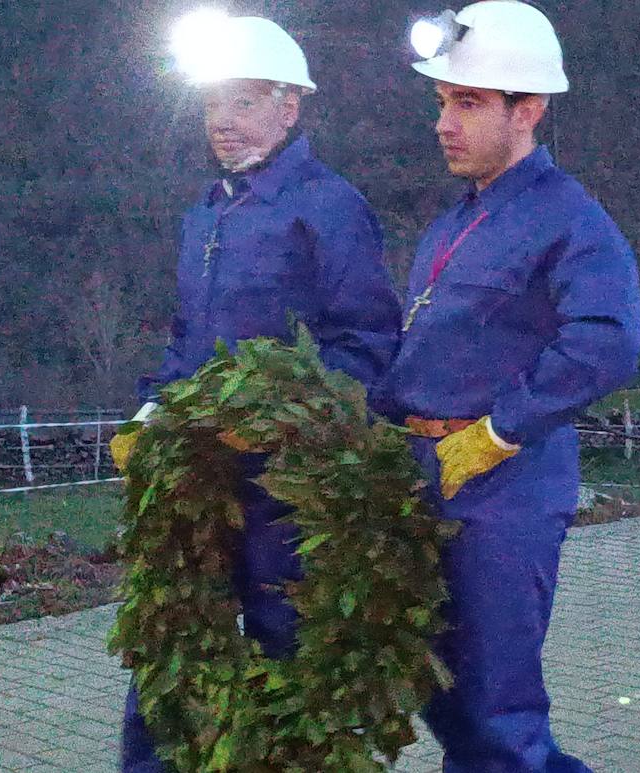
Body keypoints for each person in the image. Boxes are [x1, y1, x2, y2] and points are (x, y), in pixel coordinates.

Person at [110, 13, 401, 771]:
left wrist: (281, 424)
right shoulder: (206, 209)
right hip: (196, 480)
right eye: (212, 105)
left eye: (242, 103)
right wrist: (149, 414)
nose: (221, 122)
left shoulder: (328, 205)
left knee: (287, 641)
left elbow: (365, 344)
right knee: (172, 640)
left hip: (285, 486)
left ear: (289, 106)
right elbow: (186, 339)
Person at [377, 3, 640, 769]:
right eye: (442, 103)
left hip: (506, 485)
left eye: (468, 103)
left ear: (527, 110)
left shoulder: (570, 220)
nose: (444, 124)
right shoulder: (459, 219)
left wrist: (501, 429)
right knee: (441, 689)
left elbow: (607, 340)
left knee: (499, 706)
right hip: (428, 470)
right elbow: (425, 348)